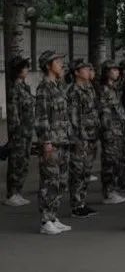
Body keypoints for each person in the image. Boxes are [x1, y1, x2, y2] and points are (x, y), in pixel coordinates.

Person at [35, 51, 72, 235]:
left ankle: (53, 216)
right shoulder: (44, 88)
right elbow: (41, 117)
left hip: (63, 140)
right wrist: (46, 142)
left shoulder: (58, 86)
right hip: (52, 142)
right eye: (57, 62)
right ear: (48, 66)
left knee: (61, 181)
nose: (61, 64)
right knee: (50, 181)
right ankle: (45, 220)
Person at [66, 59, 100, 218]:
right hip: (80, 138)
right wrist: (76, 139)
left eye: (88, 68)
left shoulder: (89, 88)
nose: (88, 71)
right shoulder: (74, 91)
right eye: (84, 69)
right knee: (78, 172)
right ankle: (76, 205)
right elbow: (73, 118)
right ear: (76, 73)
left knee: (86, 171)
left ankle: (82, 202)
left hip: (91, 136)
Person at [4, 56, 34, 207]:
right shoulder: (15, 89)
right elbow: (13, 113)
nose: (27, 70)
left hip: (27, 131)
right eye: (24, 67)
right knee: (16, 163)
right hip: (19, 133)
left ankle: (18, 192)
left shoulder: (24, 87)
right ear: (18, 70)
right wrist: (16, 133)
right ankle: (11, 194)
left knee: (24, 163)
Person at [99, 60, 125, 205]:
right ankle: (109, 192)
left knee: (117, 161)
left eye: (118, 70)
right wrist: (108, 131)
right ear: (106, 72)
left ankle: (114, 189)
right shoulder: (104, 90)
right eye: (114, 70)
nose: (117, 72)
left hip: (118, 130)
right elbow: (104, 113)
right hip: (110, 131)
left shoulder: (115, 88)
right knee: (109, 162)